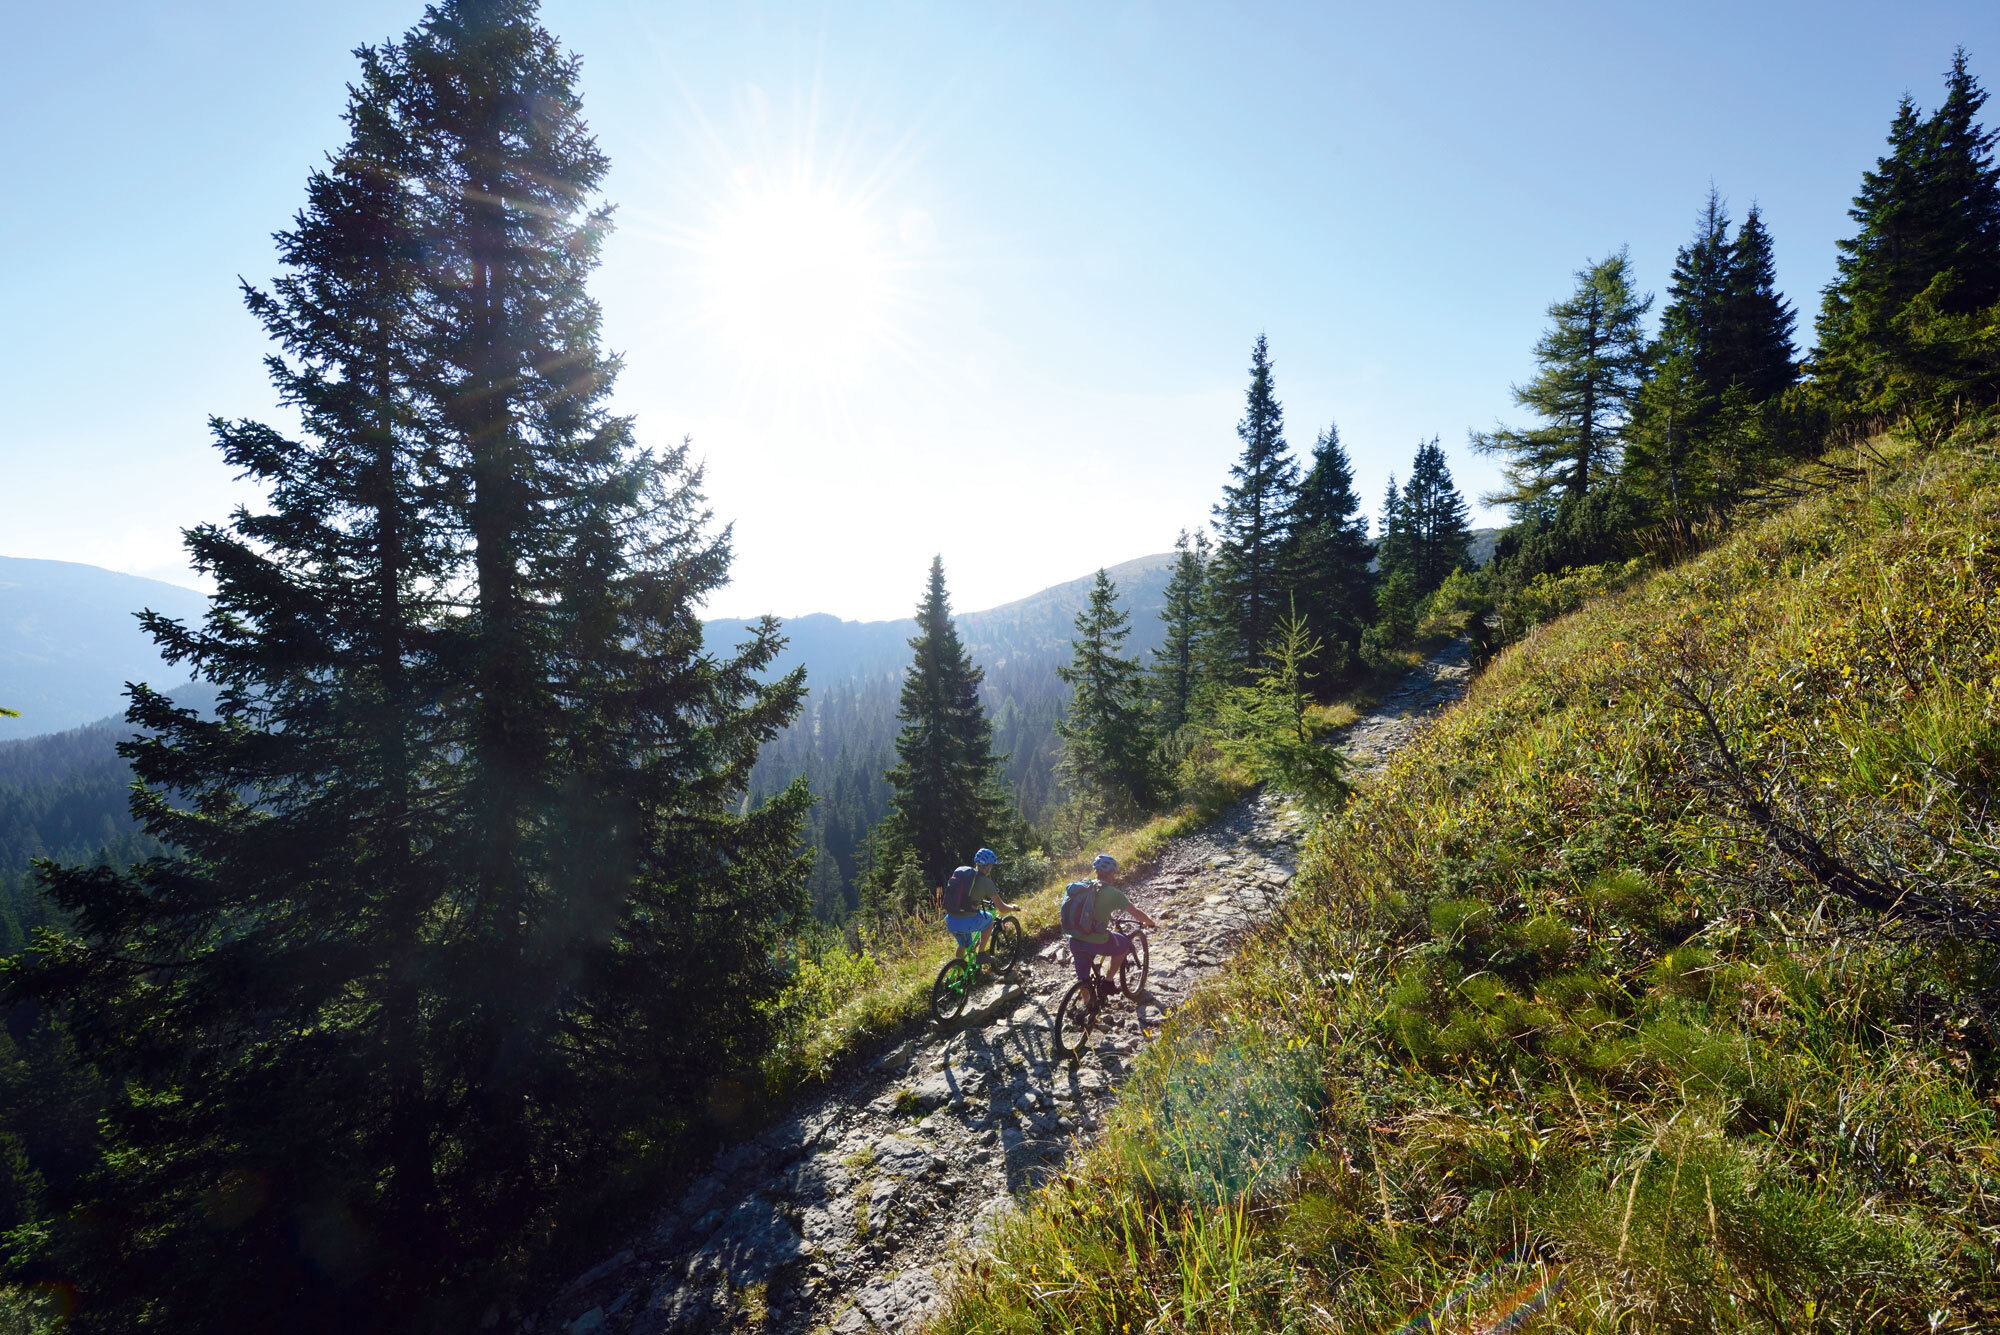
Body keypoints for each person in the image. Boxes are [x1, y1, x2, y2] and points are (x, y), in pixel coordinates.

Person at [1065, 853, 1156, 995]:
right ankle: (1108, 981)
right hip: (1095, 941)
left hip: (1074, 939)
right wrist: (1150, 922)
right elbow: (1136, 913)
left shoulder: (1084, 887)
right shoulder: (1114, 893)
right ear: (1112, 872)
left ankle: (1088, 1008)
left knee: (1083, 980)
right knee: (1124, 944)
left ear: (1096, 871)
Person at [941, 847, 1019, 955]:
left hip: (951, 920)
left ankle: (959, 968)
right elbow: (1002, 908)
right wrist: (1013, 908)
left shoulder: (966, 876)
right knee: (989, 920)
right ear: (987, 866)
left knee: (963, 944)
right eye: (991, 865)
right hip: (965, 922)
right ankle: (981, 954)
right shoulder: (986, 882)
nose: (991, 868)